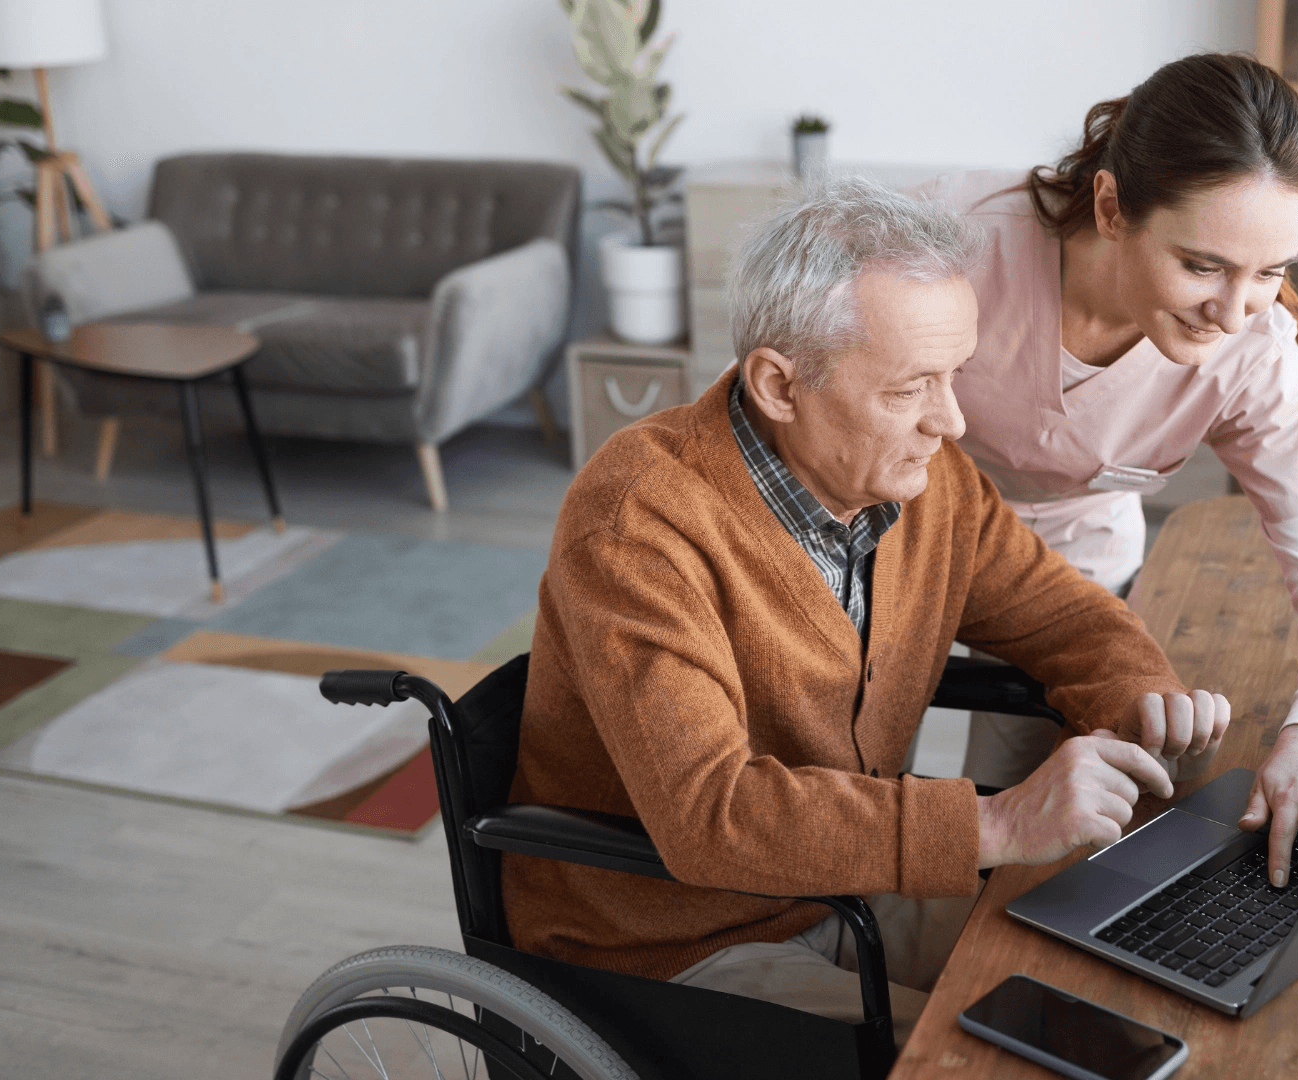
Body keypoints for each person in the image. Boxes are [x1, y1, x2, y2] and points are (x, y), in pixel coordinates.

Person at [502, 178, 1230, 1042]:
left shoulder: (926, 483)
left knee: (1120, 981)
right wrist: (995, 822)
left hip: (847, 891)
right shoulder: (639, 520)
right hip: (673, 941)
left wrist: (1143, 692)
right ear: (780, 384)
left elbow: (1054, 612)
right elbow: (711, 815)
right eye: (911, 388)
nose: (951, 421)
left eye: (956, 375)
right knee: (1008, 1054)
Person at [919, 53, 1298, 888]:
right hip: (897, 553)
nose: (1235, 310)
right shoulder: (951, 246)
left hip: (1070, 586)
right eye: (1204, 265)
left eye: (1271, 271)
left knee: (1028, 851)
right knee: (869, 794)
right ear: (1110, 207)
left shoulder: (1253, 355)